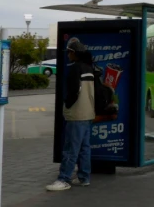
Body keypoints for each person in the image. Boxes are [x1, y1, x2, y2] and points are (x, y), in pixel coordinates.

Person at [47, 39, 95, 192]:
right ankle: (84, 177)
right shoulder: (89, 68)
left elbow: (73, 91)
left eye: (69, 52)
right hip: (88, 113)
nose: (67, 55)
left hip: (77, 114)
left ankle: (63, 179)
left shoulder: (75, 69)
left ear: (74, 53)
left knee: (70, 149)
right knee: (84, 148)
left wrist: (67, 104)